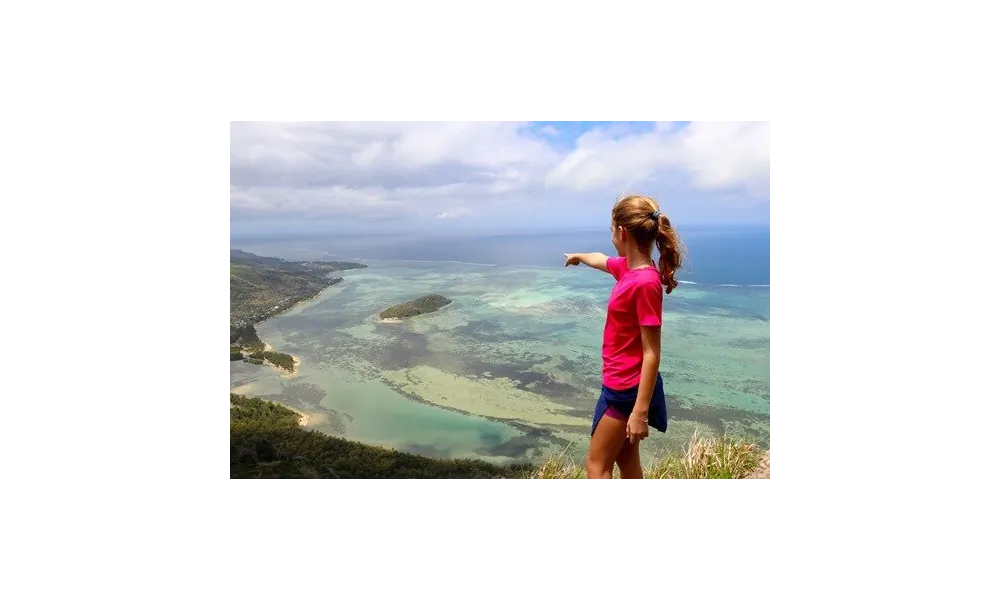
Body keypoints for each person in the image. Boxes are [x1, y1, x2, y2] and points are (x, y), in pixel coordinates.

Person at [563, 194, 685, 480]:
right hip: (622, 384)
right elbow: (601, 260)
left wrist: (640, 412)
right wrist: (579, 257)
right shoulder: (628, 270)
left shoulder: (644, 283)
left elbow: (652, 351)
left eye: (611, 230)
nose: (610, 236)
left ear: (621, 232)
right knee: (626, 461)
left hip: (624, 390)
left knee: (597, 465)